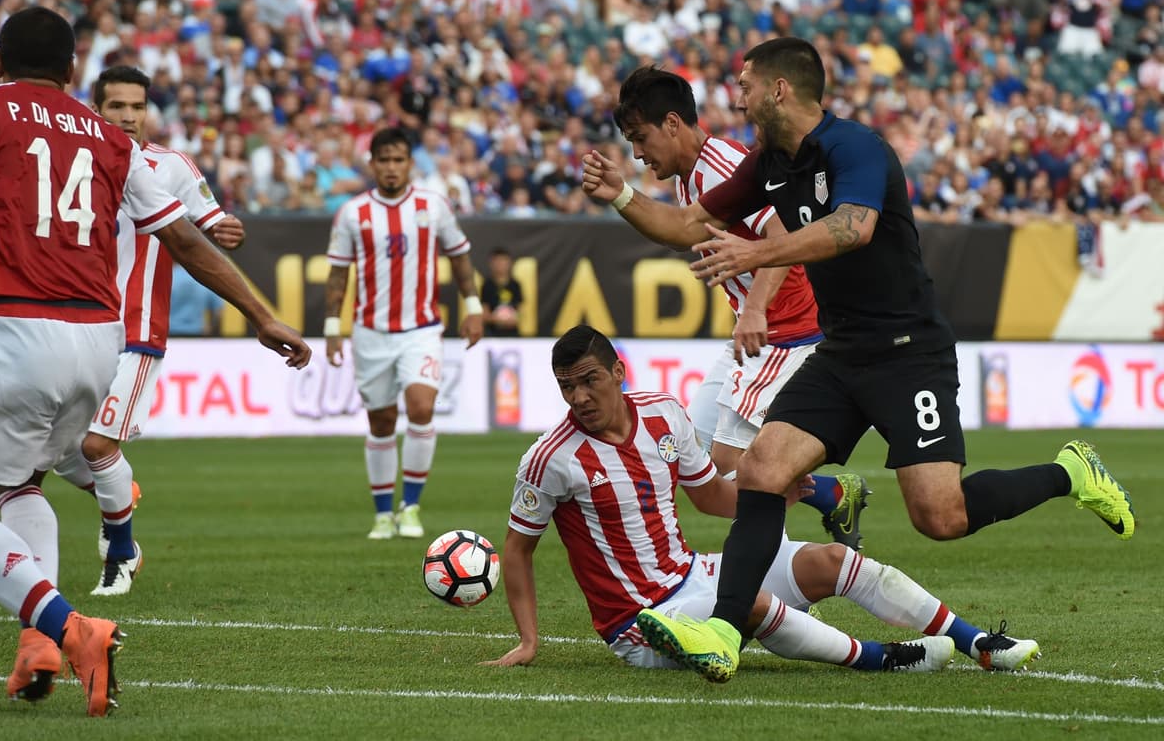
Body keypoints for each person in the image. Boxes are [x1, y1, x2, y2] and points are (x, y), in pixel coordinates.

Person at [581, 36, 1133, 683]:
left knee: (941, 515)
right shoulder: (767, 163)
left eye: (747, 84)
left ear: (781, 89)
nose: (736, 95)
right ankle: (726, 630)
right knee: (760, 470)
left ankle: (1071, 470)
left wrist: (754, 258)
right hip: (840, 352)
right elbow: (687, 223)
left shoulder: (856, 148)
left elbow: (854, 227)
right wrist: (622, 195)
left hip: (907, 351)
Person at [0, 6, 310, 717]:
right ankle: (36, 643)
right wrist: (262, 315)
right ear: (75, 71)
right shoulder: (112, 142)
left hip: (13, 326)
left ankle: (71, 629)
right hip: (96, 343)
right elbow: (184, 239)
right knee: (22, 482)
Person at [481, 326, 1037, 676]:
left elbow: (710, 497)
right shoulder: (549, 458)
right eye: (566, 387)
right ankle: (884, 658)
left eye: (589, 380)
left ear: (618, 373)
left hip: (694, 572)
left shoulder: (663, 413)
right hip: (641, 620)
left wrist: (778, 494)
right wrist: (528, 641)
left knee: (833, 560)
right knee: (743, 604)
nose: (579, 397)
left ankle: (976, 642)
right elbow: (518, 548)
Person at [607, 65, 870, 548]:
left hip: (785, 334)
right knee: (696, 459)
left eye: (640, 138)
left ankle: (793, 585)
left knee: (740, 469)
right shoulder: (689, 179)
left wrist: (752, 312)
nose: (637, 153)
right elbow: (678, 232)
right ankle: (831, 495)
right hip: (753, 335)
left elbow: (783, 234)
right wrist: (622, 196)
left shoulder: (723, 164)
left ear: (672, 123)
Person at [49, 65, 247, 597]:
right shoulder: (69, 156)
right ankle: (117, 491)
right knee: (48, 449)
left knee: (95, 444)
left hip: (135, 330)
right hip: (69, 324)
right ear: (95, 109)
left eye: (137, 107)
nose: (129, 116)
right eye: (117, 106)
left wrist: (224, 229)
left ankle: (120, 555)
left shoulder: (171, 166)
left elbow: (207, 223)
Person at [324, 127, 484, 541]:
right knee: (380, 420)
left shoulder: (434, 206)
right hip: (370, 331)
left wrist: (473, 307)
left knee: (420, 408)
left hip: (422, 329)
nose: (392, 168)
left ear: (410, 163)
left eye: (399, 160)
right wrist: (331, 328)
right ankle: (382, 513)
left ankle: (410, 507)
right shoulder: (352, 213)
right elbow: (337, 275)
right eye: (384, 160)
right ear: (372, 164)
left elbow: (461, 257)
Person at [480, 246, 523, 337]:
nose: (500, 265)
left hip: (513, 334)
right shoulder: (487, 286)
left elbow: (520, 311)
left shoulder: (515, 285)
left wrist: (514, 319)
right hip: (492, 334)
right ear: (491, 263)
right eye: (497, 261)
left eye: (503, 261)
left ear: (510, 263)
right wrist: (498, 320)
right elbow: (485, 313)